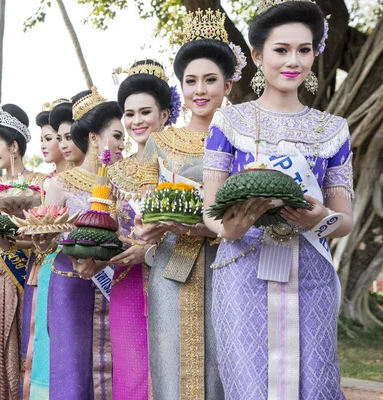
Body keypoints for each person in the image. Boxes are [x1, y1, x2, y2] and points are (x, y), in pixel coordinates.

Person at [202, 1, 352, 398]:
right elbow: (211, 208)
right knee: (251, 385)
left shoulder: (332, 130)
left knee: (315, 381)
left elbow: (345, 220)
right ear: (257, 54)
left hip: (312, 274)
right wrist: (230, 227)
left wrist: (318, 219)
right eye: (281, 50)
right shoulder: (229, 121)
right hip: (244, 268)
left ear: (315, 54)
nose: (294, 61)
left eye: (304, 50)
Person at [133, 9, 246, 399]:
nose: (200, 89)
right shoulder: (160, 142)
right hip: (171, 261)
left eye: (210, 80)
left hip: (230, 260)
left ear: (227, 85)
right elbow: (143, 212)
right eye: (191, 81)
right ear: (181, 87)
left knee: (224, 359)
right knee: (169, 359)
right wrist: (147, 229)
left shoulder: (244, 140)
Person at [41, 88, 124, 399]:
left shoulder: (119, 185)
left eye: (122, 138)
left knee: (112, 369)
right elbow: (46, 242)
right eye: (116, 136)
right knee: (72, 369)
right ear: (94, 138)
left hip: (110, 282)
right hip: (69, 285)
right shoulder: (59, 184)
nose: (120, 144)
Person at [107, 59, 173, 399]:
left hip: (175, 280)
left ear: (164, 115)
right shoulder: (115, 173)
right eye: (129, 114)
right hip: (125, 282)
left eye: (145, 112)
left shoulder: (180, 166)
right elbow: (108, 226)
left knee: (170, 373)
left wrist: (148, 252)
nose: (136, 121)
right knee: (131, 374)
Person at [0, 104, 43, 399]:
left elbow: (45, 233)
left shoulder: (40, 184)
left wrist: (16, 238)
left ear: (15, 146)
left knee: (26, 343)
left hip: (29, 272)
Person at [21, 99, 71, 400]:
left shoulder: (83, 178)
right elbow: (41, 235)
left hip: (71, 268)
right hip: (43, 268)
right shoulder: (46, 183)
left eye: (54, 137)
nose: (50, 144)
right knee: (41, 340)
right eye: (45, 139)